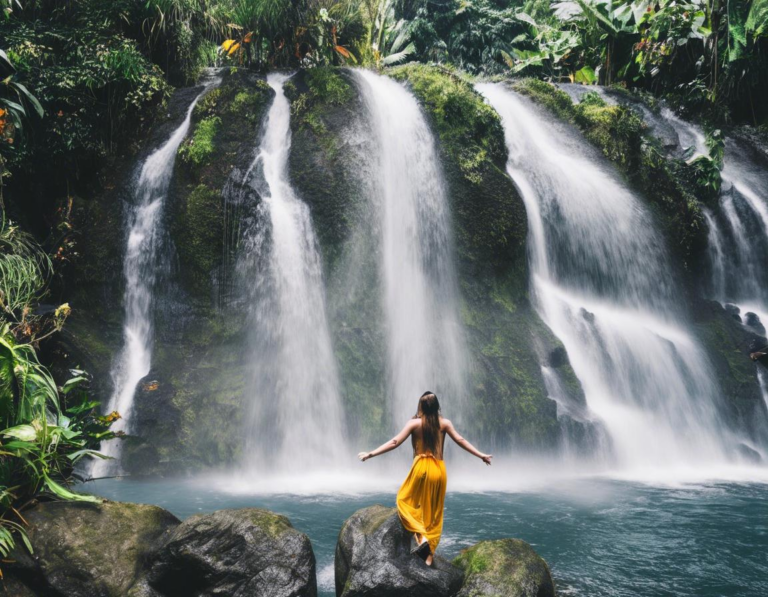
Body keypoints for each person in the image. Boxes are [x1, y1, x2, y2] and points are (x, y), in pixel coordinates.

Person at [358, 391, 492, 566]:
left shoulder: (414, 423)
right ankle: (429, 556)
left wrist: (371, 454)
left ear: (420, 406)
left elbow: (394, 442)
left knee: (405, 501)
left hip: (421, 469)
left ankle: (422, 540)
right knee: (434, 513)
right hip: (439, 471)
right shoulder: (444, 424)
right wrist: (481, 455)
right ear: (437, 407)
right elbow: (460, 439)